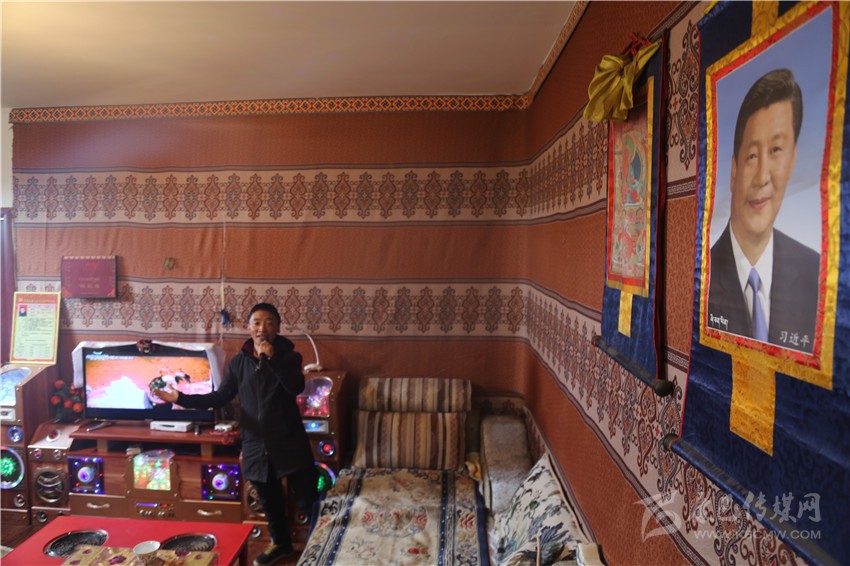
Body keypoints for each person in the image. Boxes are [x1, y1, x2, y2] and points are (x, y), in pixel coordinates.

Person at [153, 303, 317, 565]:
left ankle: (320, 546)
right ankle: (281, 544)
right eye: (257, 323)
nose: (262, 328)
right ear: (249, 327)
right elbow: (221, 397)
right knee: (269, 501)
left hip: (289, 441)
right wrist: (180, 398)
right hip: (255, 444)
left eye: (269, 323)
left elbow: (295, 387)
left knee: (309, 500)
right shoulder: (239, 363)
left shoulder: (289, 357)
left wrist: (273, 359)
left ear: (277, 327)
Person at [707, 68, 820, 353]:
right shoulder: (704, 276)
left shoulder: (815, 274)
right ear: (733, 169)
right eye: (752, 156)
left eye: (776, 151)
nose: (762, 178)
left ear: (792, 161)